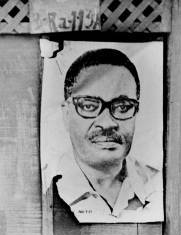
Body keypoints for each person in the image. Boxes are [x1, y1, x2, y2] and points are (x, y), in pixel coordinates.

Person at [45, 47, 163, 223]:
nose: (107, 123)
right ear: (66, 114)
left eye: (123, 107)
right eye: (89, 106)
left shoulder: (160, 186)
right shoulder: (41, 187)